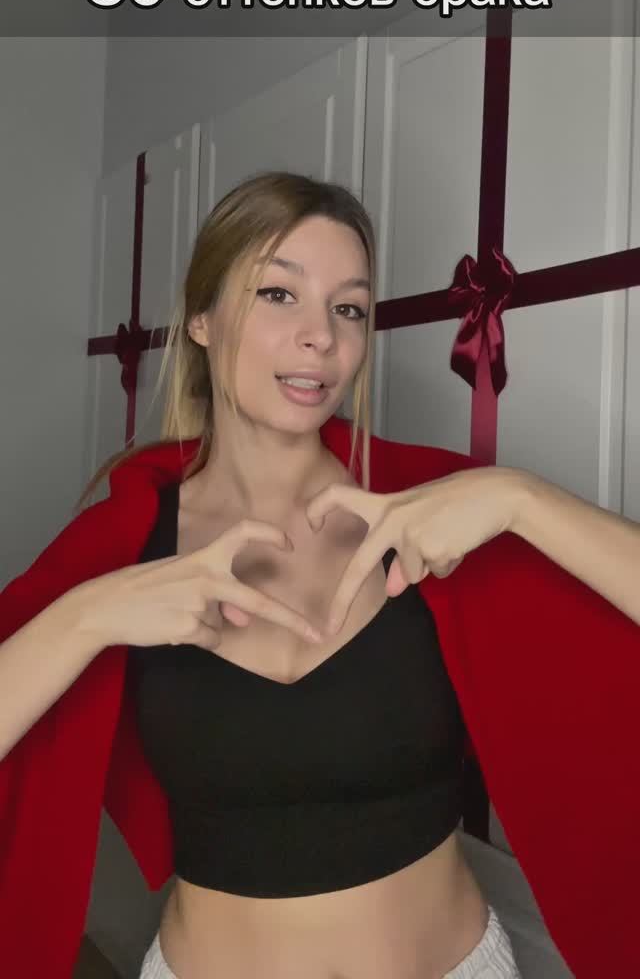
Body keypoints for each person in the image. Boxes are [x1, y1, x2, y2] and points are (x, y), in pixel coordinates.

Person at [1, 171, 639, 979]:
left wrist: (523, 498)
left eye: (349, 309)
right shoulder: (120, 546)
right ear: (202, 319)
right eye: (278, 294)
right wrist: (87, 618)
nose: (321, 338)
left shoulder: (436, 509)